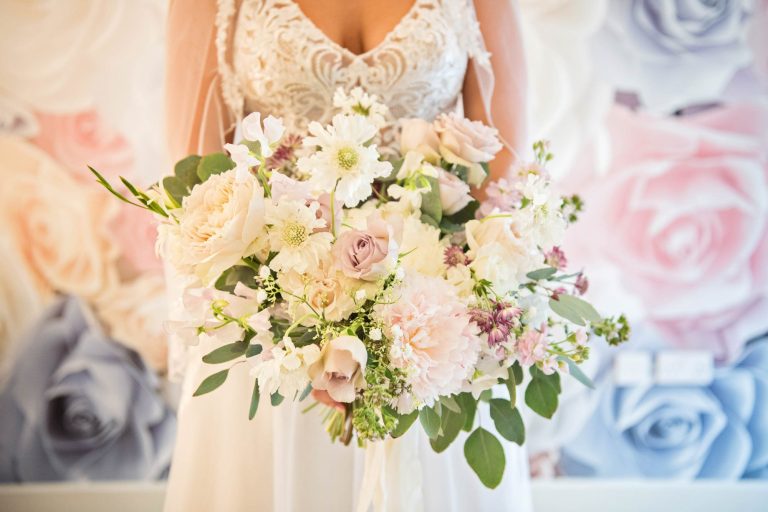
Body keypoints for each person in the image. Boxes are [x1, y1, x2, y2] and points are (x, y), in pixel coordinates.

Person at [163, 1, 532, 510]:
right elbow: (198, 180)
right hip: (273, 329)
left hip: (427, 328)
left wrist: (453, 292)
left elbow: (501, 168)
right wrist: (294, 306)